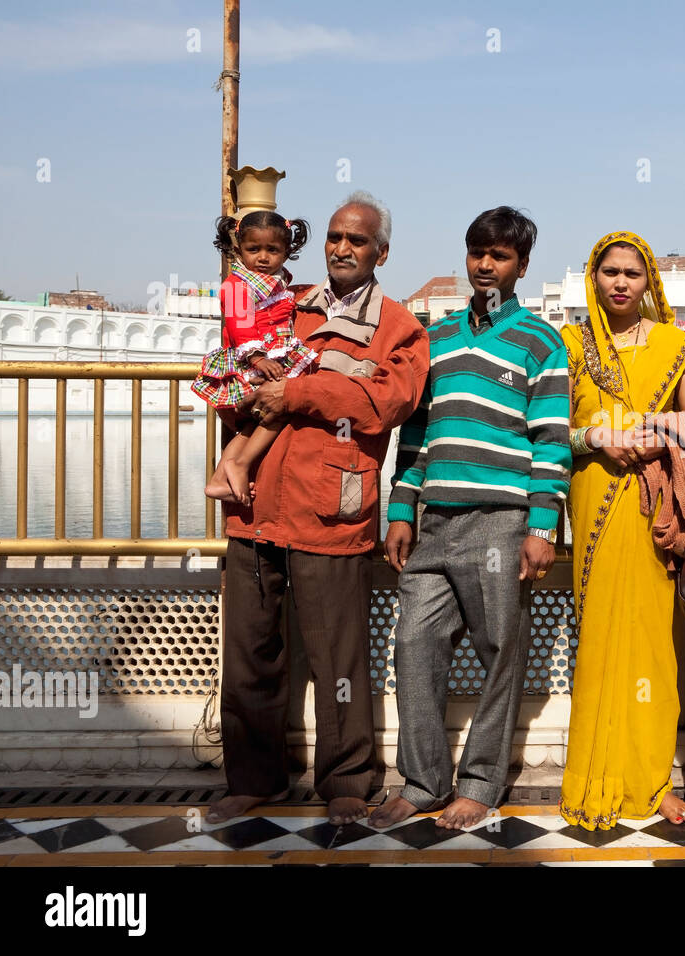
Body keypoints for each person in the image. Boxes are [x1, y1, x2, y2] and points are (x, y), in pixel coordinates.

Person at [207, 191, 431, 827]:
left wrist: (299, 391)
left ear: (379, 252)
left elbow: (389, 401)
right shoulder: (283, 302)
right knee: (250, 652)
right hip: (255, 508)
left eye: (357, 240)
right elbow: (238, 368)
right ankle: (254, 779)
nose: (341, 248)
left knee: (338, 659)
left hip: (332, 511)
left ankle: (347, 780)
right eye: (335, 237)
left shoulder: (398, 326)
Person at [373, 207, 571, 831]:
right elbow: (417, 435)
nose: (486, 264)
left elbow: (552, 443)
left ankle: (481, 782)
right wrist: (401, 509)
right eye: (477, 252)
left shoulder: (542, 341)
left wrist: (542, 528)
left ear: (521, 265)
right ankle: (423, 780)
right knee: (413, 645)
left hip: (500, 523)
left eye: (501, 255)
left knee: (498, 651)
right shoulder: (438, 340)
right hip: (434, 522)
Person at [557, 231, 685, 831]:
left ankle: (649, 781)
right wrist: (596, 437)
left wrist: (648, 431)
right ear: (594, 277)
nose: (621, 282)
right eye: (610, 271)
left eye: (633, 273)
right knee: (597, 640)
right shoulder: (570, 344)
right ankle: (595, 775)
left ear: (650, 282)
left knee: (649, 642)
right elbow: (549, 428)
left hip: (652, 509)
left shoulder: (676, 345)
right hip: (593, 495)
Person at [196, 211, 317, 505]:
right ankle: (239, 464)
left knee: (254, 423)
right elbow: (239, 324)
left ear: (287, 251)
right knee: (280, 408)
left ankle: (218, 480)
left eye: (272, 250)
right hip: (251, 360)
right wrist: (258, 358)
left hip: (268, 355)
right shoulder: (238, 284)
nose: (263, 257)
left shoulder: (274, 281)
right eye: (254, 249)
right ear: (239, 249)